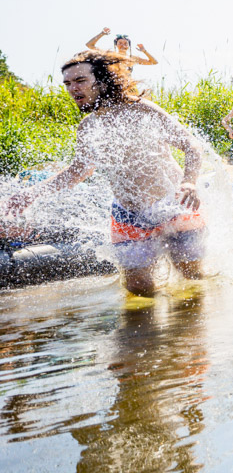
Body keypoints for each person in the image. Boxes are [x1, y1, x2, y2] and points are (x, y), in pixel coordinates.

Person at [1, 51, 205, 296]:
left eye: (80, 81)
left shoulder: (141, 110)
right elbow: (78, 172)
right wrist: (31, 193)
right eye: (67, 83)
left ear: (103, 80)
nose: (72, 89)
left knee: (192, 280)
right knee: (137, 289)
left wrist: (190, 182)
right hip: (128, 216)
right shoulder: (88, 127)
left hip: (174, 206)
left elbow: (190, 144)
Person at [84, 28, 158, 68]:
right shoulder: (110, 55)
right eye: (120, 43)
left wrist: (144, 51)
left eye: (126, 43)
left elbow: (154, 62)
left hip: (129, 87)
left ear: (128, 46)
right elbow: (89, 45)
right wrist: (102, 34)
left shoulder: (132, 58)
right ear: (116, 45)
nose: (123, 45)